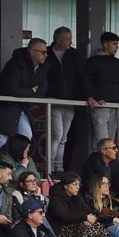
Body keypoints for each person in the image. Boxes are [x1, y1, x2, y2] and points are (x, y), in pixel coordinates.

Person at [0, 39, 48, 148]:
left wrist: (26, 92)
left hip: (20, 108)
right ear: (32, 52)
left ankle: (16, 164)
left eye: (46, 52)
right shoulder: (15, 64)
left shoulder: (41, 68)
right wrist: (31, 90)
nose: (46, 55)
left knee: (26, 137)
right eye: (43, 52)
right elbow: (13, 90)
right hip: (4, 107)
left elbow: (41, 91)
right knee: (0, 140)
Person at [46, 27, 86, 173]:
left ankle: (58, 167)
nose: (71, 41)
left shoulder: (74, 54)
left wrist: (88, 95)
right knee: (56, 134)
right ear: (58, 39)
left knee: (63, 137)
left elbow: (81, 76)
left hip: (70, 101)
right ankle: (49, 167)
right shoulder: (47, 53)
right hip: (53, 99)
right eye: (68, 39)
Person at [47, 172, 115, 237]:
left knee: (95, 224)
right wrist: (84, 217)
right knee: (84, 226)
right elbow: (64, 217)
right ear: (65, 186)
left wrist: (88, 219)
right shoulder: (56, 199)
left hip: (74, 229)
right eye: (74, 184)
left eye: (79, 185)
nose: (77, 187)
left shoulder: (77, 197)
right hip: (61, 233)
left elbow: (89, 211)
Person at [84, 32, 119, 147]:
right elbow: (86, 81)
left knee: (110, 141)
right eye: (114, 44)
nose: (117, 47)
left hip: (114, 105)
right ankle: (97, 164)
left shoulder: (117, 62)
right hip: (100, 105)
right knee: (102, 141)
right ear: (105, 44)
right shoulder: (94, 61)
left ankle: (106, 164)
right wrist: (92, 96)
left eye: (117, 44)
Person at [81, 137, 119, 202]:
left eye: (116, 147)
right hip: (94, 199)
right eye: (113, 148)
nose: (116, 150)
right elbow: (89, 187)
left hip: (110, 197)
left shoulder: (114, 164)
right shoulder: (92, 164)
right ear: (103, 151)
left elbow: (118, 183)